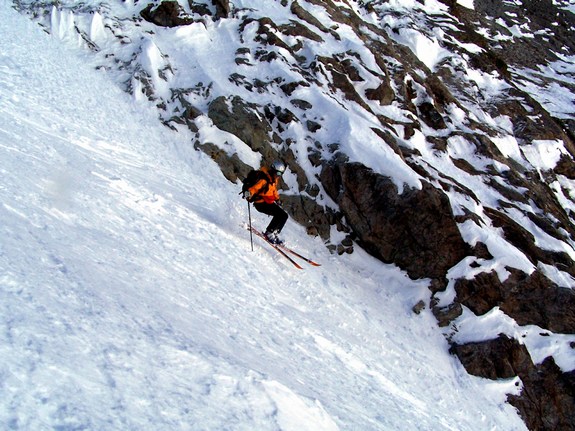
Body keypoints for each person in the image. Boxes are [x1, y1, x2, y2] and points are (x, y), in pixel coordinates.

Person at [242, 160, 289, 244]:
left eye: (281, 174)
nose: (279, 176)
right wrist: (248, 194)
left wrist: (277, 199)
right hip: (260, 204)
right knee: (279, 215)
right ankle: (269, 233)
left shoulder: (273, 179)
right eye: (278, 173)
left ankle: (274, 233)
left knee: (284, 216)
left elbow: (273, 190)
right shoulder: (263, 180)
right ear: (273, 170)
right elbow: (253, 189)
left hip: (267, 202)